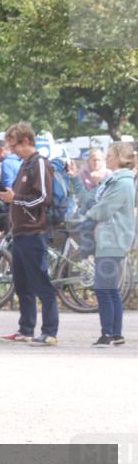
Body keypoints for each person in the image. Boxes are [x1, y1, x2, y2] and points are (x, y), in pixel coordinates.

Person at [0, 123, 59, 346]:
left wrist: (15, 199)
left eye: (14, 146)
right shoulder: (24, 165)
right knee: (22, 284)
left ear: (26, 141)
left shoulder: (39, 163)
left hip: (33, 232)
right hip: (20, 232)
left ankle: (49, 331)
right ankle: (26, 329)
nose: (12, 151)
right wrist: (7, 197)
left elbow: (43, 198)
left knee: (41, 282)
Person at [83, 142, 135, 347]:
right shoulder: (120, 180)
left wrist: (87, 215)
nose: (107, 158)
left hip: (112, 239)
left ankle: (107, 334)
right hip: (113, 238)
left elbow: (104, 210)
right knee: (110, 289)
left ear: (121, 157)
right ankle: (116, 334)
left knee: (103, 289)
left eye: (111, 154)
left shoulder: (121, 182)